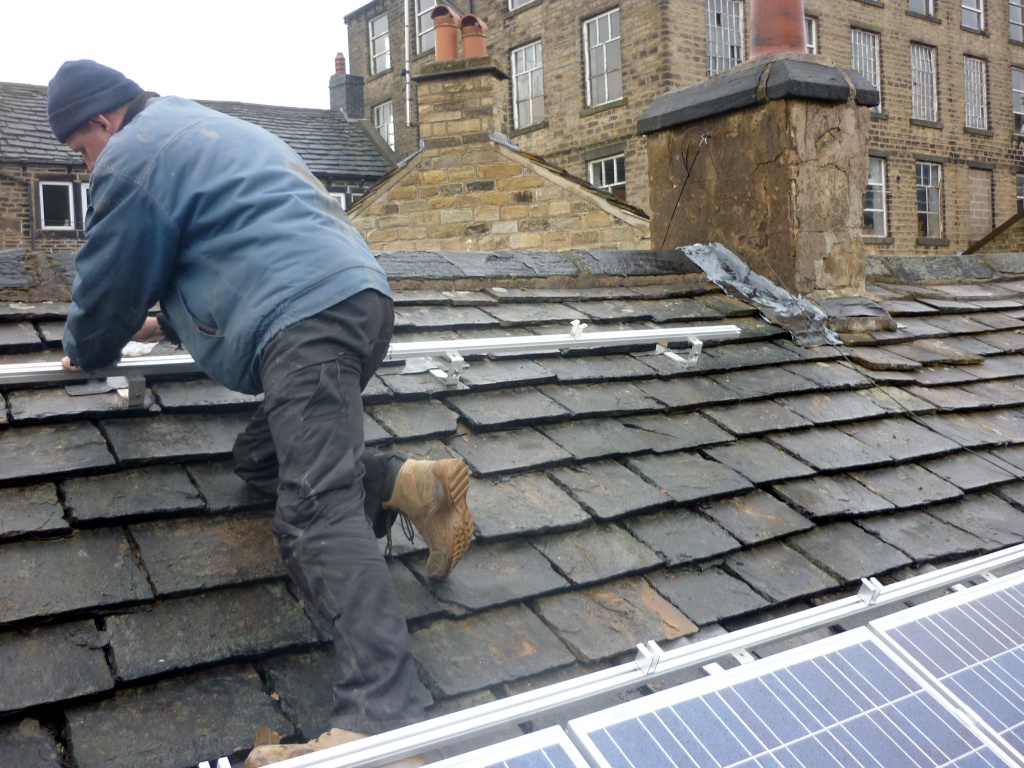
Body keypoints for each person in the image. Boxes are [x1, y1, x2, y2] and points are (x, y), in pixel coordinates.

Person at [47, 59, 474, 767]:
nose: (89, 167)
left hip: (306, 320)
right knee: (258, 459)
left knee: (314, 512)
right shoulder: (202, 129)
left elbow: (110, 272)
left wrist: (86, 349)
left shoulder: (132, 153)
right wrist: (168, 325)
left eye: (80, 151)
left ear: (102, 120)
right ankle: (409, 485)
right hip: (354, 299)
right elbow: (246, 242)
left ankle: (384, 723)